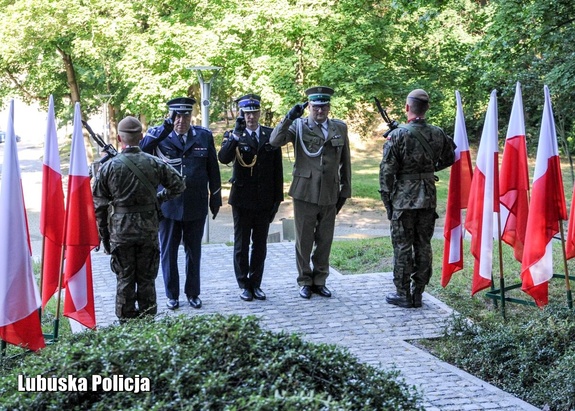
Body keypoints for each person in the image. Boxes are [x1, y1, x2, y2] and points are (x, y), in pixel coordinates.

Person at [93, 116, 186, 322]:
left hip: (121, 231)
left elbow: (98, 205)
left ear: (119, 138)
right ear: (142, 137)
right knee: (146, 279)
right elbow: (179, 185)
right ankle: (147, 321)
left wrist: (105, 236)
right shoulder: (154, 163)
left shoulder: (108, 167)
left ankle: (125, 324)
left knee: (124, 279)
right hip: (148, 230)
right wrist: (158, 198)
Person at [270, 86, 351, 299]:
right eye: (316, 107)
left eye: (323, 107)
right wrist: (288, 118)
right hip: (305, 191)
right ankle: (305, 280)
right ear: (310, 108)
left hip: (330, 192)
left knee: (325, 240)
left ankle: (320, 280)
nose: (320, 111)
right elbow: (274, 141)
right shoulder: (298, 126)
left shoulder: (339, 128)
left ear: (329, 107)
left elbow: (346, 161)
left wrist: (345, 189)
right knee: (304, 240)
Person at [140, 97, 222, 310]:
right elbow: (142, 150)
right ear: (171, 116)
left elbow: (212, 168)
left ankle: (193, 293)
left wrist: (215, 197)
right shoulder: (161, 135)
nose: (181, 120)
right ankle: (172, 294)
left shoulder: (203, 136)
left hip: (195, 203)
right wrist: (163, 130)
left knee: (194, 252)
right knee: (169, 252)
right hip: (168, 205)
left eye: (185, 116)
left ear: (191, 116)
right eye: (177, 116)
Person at [379, 89, 456, 308]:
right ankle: (418, 293)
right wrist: (431, 169)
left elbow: (386, 172)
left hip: (403, 201)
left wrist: (387, 202)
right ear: (427, 108)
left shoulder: (398, 135)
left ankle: (403, 293)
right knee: (423, 245)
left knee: (403, 246)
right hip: (428, 198)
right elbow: (451, 156)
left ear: (407, 108)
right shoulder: (438, 133)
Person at [218, 94, 284, 302]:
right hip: (242, 199)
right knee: (241, 243)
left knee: (260, 244)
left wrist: (277, 199)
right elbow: (224, 158)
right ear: (242, 115)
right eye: (247, 113)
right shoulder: (234, 135)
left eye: (254, 113)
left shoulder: (270, 135)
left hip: (264, 198)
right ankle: (243, 283)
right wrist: (236, 136)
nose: (251, 117)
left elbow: (277, 170)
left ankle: (256, 283)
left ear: (259, 113)